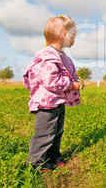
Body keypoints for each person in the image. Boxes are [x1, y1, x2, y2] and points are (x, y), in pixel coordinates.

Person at [23, 15, 84, 173]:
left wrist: (76, 81)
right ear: (64, 34)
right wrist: (71, 85)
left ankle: (53, 157)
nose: (75, 38)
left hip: (57, 102)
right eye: (74, 35)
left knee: (56, 131)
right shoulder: (48, 55)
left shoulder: (60, 55)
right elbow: (51, 81)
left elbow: (66, 73)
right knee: (44, 134)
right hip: (46, 104)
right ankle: (35, 164)